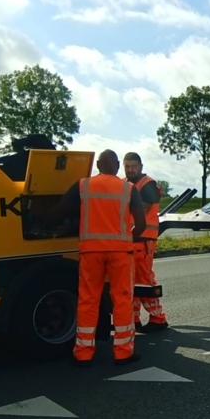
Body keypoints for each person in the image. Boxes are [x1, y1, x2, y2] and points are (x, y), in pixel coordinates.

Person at [53, 149, 147, 367]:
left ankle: (83, 353)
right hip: (120, 253)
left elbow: (59, 211)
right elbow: (141, 225)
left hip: (90, 252)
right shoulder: (129, 189)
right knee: (122, 300)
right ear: (116, 165)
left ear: (98, 165)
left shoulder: (83, 185)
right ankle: (123, 352)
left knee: (88, 300)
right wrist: (125, 241)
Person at [123, 152, 169, 333]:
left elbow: (142, 209)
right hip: (130, 239)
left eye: (133, 166)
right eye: (127, 166)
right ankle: (133, 319)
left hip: (143, 239)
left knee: (144, 280)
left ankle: (158, 318)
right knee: (130, 281)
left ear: (141, 167)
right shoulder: (124, 183)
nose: (130, 170)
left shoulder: (148, 184)